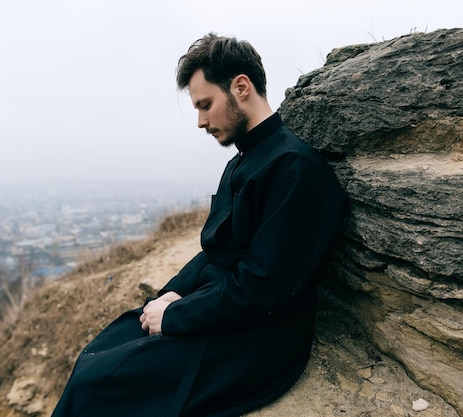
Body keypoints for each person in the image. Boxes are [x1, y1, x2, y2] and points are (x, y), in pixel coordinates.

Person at [51, 32, 345, 417]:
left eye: (205, 105)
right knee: (100, 351)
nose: (201, 121)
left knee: (100, 384)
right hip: (221, 308)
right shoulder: (241, 162)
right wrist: (171, 294)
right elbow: (215, 252)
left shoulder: (295, 168)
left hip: (259, 341)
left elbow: (264, 289)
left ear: (241, 87)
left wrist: (175, 316)